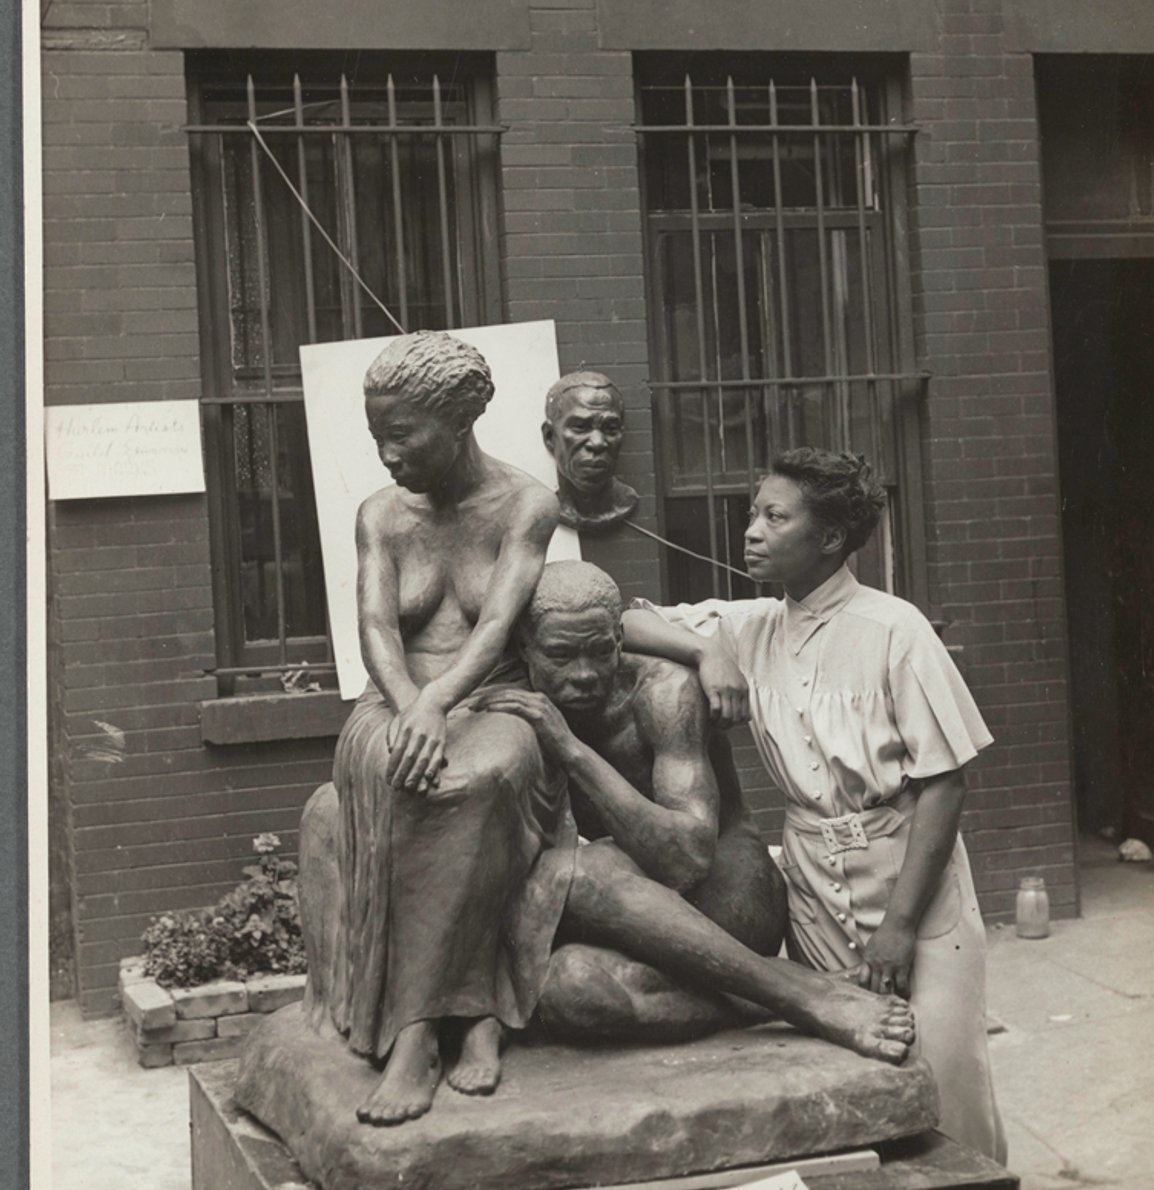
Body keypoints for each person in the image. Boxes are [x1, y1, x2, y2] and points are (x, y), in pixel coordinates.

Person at [622, 448, 1007, 1163]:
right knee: (852, 1070)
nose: (752, 531)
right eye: (752, 514)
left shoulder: (895, 629)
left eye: (775, 516)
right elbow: (620, 621)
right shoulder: (750, 625)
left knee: (945, 1075)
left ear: (829, 537)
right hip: (812, 877)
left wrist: (899, 925)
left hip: (910, 873)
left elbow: (946, 783)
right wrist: (705, 653)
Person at [472, 560, 918, 1062]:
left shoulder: (663, 692)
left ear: (619, 641)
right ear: (524, 649)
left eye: (600, 652)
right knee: (568, 991)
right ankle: (790, 992)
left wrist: (570, 750)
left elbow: (686, 857)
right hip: (635, 902)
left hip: (729, 894)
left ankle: (805, 1000)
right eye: (560, 655)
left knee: (580, 872)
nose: (585, 674)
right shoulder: (514, 694)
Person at [328, 331, 569, 1127]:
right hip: (392, 700)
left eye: (403, 436)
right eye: (377, 437)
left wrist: (443, 704)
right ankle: (437, 1030)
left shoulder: (526, 503)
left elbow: (499, 624)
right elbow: (374, 626)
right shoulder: (380, 515)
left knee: (481, 778)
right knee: (406, 773)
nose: (388, 454)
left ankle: (457, 1020)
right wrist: (412, 706)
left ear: (459, 421)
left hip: (491, 699)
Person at [542, 371, 639, 533]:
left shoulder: (626, 501)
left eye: (610, 428)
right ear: (550, 436)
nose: (598, 443)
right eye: (580, 427)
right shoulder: (539, 508)